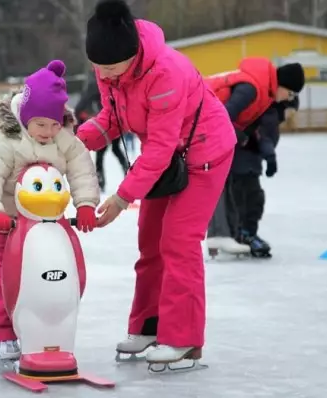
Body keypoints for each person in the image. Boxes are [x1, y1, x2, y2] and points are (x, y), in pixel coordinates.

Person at [76, 0, 236, 366]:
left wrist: (120, 198)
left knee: (178, 241)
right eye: (99, 68)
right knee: (150, 241)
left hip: (203, 155)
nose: (106, 75)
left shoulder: (166, 72)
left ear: (132, 56)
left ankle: (184, 340)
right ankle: (149, 326)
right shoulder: (109, 71)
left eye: (112, 69)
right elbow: (113, 119)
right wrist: (74, 140)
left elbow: (162, 145)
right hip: (165, 161)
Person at [0, 60, 101, 370]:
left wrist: (84, 203)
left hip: (46, 226)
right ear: (26, 117)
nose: (49, 132)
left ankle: (46, 334)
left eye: (55, 124)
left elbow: (82, 168)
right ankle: (4, 335)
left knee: (52, 276)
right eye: (41, 125)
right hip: (7, 225)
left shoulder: (64, 139)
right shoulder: (6, 140)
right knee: (8, 276)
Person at [205, 58, 305, 257]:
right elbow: (220, 116)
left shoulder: (264, 97)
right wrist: (238, 136)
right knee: (227, 186)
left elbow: (249, 127)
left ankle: (225, 234)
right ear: (282, 85)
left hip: (221, 140)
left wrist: (241, 135)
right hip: (199, 123)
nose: (288, 98)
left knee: (228, 187)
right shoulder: (251, 88)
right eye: (290, 93)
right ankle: (222, 234)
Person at [74, 74, 129, 191]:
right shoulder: (113, 76)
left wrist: (80, 119)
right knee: (115, 149)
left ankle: (102, 180)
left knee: (102, 153)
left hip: (105, 122)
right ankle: (126, 171)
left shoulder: (95, 82)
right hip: (115, 120)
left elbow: (83, 103)